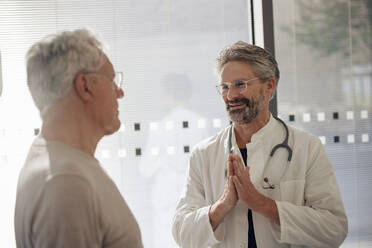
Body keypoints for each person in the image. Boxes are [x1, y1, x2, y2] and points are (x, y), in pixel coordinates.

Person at [172, 41, 348, 248]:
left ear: (269, 86)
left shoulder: (307, 147)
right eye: (224, 87)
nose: (231, 96)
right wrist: (223, 205)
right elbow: (182, 233)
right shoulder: (204, 154)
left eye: (240, 84)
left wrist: (263, 205)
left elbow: (334, 229)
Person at [14, 29, 143, 248]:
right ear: (84, 85)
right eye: (112, 80)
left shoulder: (54, 159)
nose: (120, 92)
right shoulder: (66, 181)